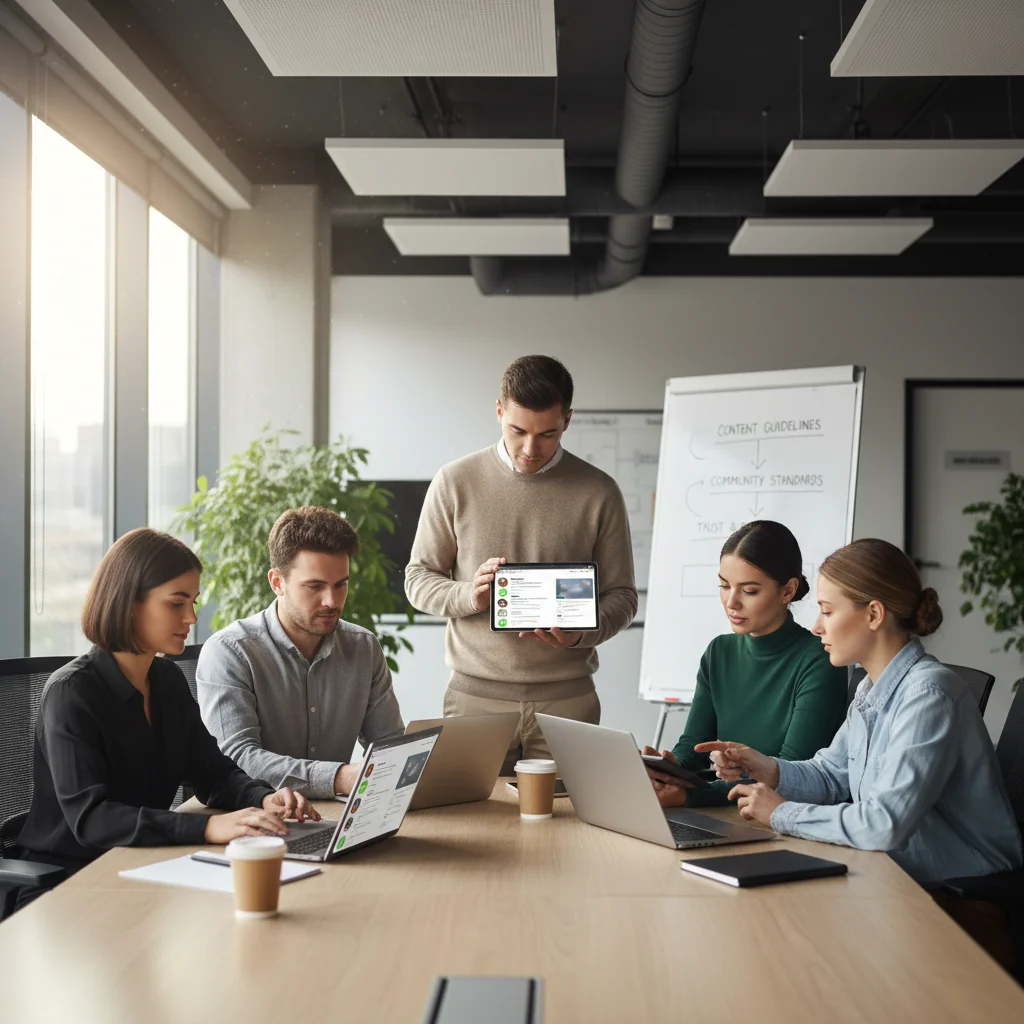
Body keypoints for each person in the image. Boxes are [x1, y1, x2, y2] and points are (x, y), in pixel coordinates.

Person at [696, 538, 1022, 889]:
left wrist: (780, 813)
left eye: (828, 610)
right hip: (895, 871)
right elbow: (831, 776)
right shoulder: (871, 689)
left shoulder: (929, 695)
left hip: (963, 888)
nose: (818, 626)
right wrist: (764, 767)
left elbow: (884, 824)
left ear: (873, 614)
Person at [19, 529, 316, 875]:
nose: (191, 618)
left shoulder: (167, 681)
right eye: (177, 603)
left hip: (145, 861)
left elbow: (212, 773)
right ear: (128, 602)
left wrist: (263, 798)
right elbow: (92, 819)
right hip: (68, 878)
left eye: (193, 602)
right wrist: (207, 828)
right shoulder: (70, 693)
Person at [405, 355, 638, 767]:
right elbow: (418, 578)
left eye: (547, 434)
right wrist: (468, 595)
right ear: (499, 411)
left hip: (568, 700)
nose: (531, 449)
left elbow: (622, 596)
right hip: (476, 698)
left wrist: (582, 630)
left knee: (569, 826)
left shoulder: (600, 492)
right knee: (473, 825)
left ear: (567, 420)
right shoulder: (455, 481)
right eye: (518, 430)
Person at [198, 506, 404, 799]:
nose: (332, 601)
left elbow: (389, 744)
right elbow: (236, 759)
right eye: (314, 586)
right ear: (277, 583)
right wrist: (339, 778)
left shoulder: (363, 647)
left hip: (337, 817)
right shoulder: (230, 652)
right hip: (255, 822)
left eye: (341, 585)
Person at [643, 521, 847, 808]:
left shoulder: (818, 660)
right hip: (729, 812)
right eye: (724, 586)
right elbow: (694, 747)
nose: (731, 603)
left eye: (749, 591)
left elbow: (790, 774)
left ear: (788, 590)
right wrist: (667, 768)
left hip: (783, 820)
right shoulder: (719, 651)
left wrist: (689, 796)